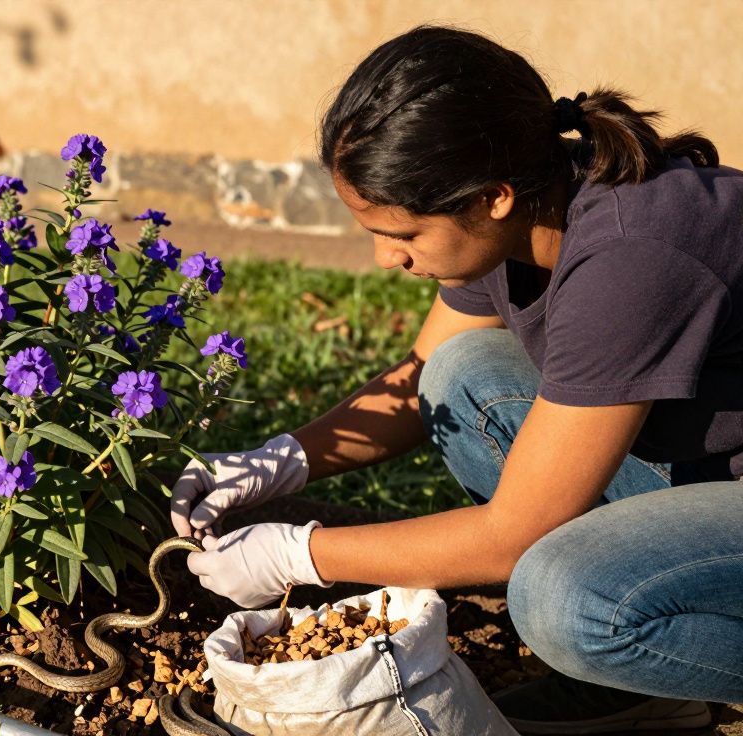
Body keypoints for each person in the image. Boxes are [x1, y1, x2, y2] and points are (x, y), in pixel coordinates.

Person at [172, 25, 743, 734]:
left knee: (564, 600)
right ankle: (646, 687)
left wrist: (300, 553)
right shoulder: (531, 208)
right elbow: (417, 384)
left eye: (404, 235)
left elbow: (513, 534)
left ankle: (642, 634)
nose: (386, 260)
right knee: (461, 375)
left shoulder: (631, 257)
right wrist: (280, 460)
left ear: (491, 198)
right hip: (706, 470)